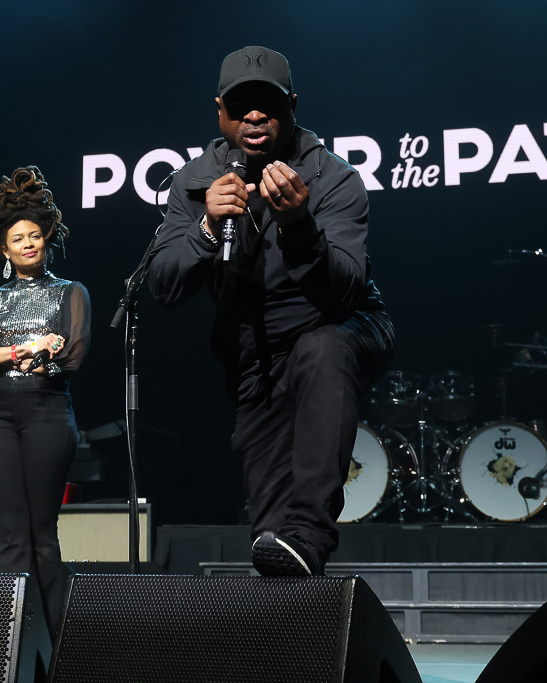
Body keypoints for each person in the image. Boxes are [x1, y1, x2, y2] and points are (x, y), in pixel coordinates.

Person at [147, 47, 394, 576]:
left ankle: (310, 529)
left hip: (341, 326)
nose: (254, 116)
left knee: (321, 348)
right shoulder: (194, 182)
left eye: (268, 104)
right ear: (219, 112)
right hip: (256, 355)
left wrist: (301, 226)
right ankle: (293, 588)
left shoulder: (333, 178)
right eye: (240, 106)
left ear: (293, 106)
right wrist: (207, 230)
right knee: (272, 539)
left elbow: (346, 291)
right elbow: (163, 285)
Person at [0, 166, 90, 634]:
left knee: (41, 537)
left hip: (48, 412)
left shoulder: (71, 292)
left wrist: (3, 353)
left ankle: (57, 645)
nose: (27, 244)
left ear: (46, 238)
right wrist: (21, 349)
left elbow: (71, 356)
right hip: (0, 415)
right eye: (17, 239)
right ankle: (12, 645)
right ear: (3, 248)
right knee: (10, 537)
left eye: (33, 236)